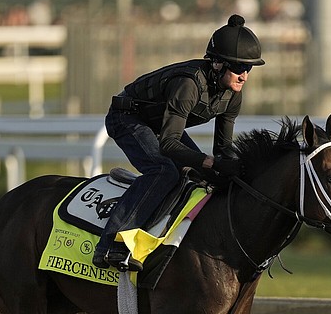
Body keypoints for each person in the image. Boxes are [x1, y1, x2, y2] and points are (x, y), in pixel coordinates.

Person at [92, 14, 265, 272]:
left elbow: (223, 149)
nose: (245, 77)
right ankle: (111, 243)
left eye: (248, 69)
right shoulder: (188, 84)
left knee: (206, 175)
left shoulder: (232, 96)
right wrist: (209, 162)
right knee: (164, 171)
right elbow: (169, 145)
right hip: (128, 118)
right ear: (217, 65)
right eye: (240, 69)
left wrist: (237, 168)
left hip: (160, 125)